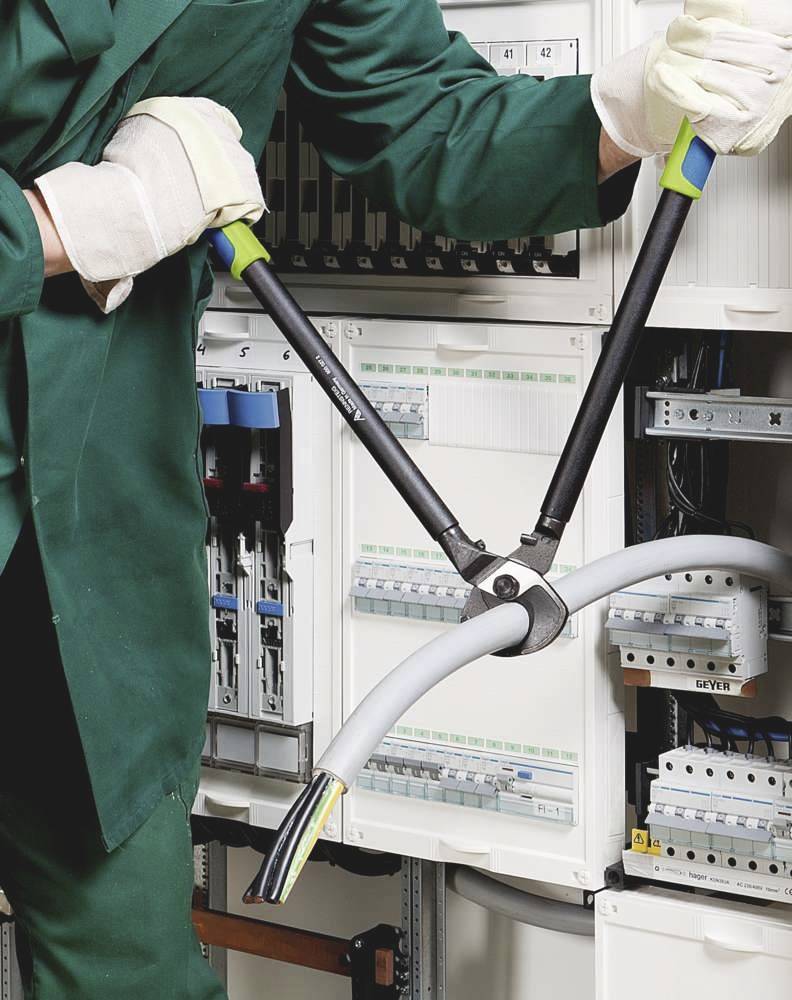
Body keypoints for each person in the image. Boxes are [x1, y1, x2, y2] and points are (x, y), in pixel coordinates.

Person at [0, 0, 789, 996]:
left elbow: (411, 114)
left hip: (90, 535)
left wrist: (620, 111)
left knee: (131, 969)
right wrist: (57, 229)